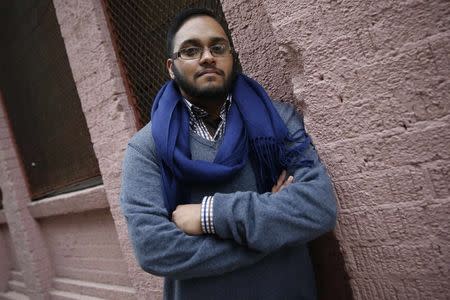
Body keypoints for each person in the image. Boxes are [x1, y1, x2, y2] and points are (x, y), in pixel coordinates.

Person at [120, 8, 337, 300]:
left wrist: (210, 215)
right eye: (191, 49)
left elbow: (318, 207)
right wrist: (272, 228)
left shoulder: (277, 122)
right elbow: (154, 249)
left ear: (231, 57)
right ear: (171, 68)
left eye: (218, 47)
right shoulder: (146, 148)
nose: (208, 56)